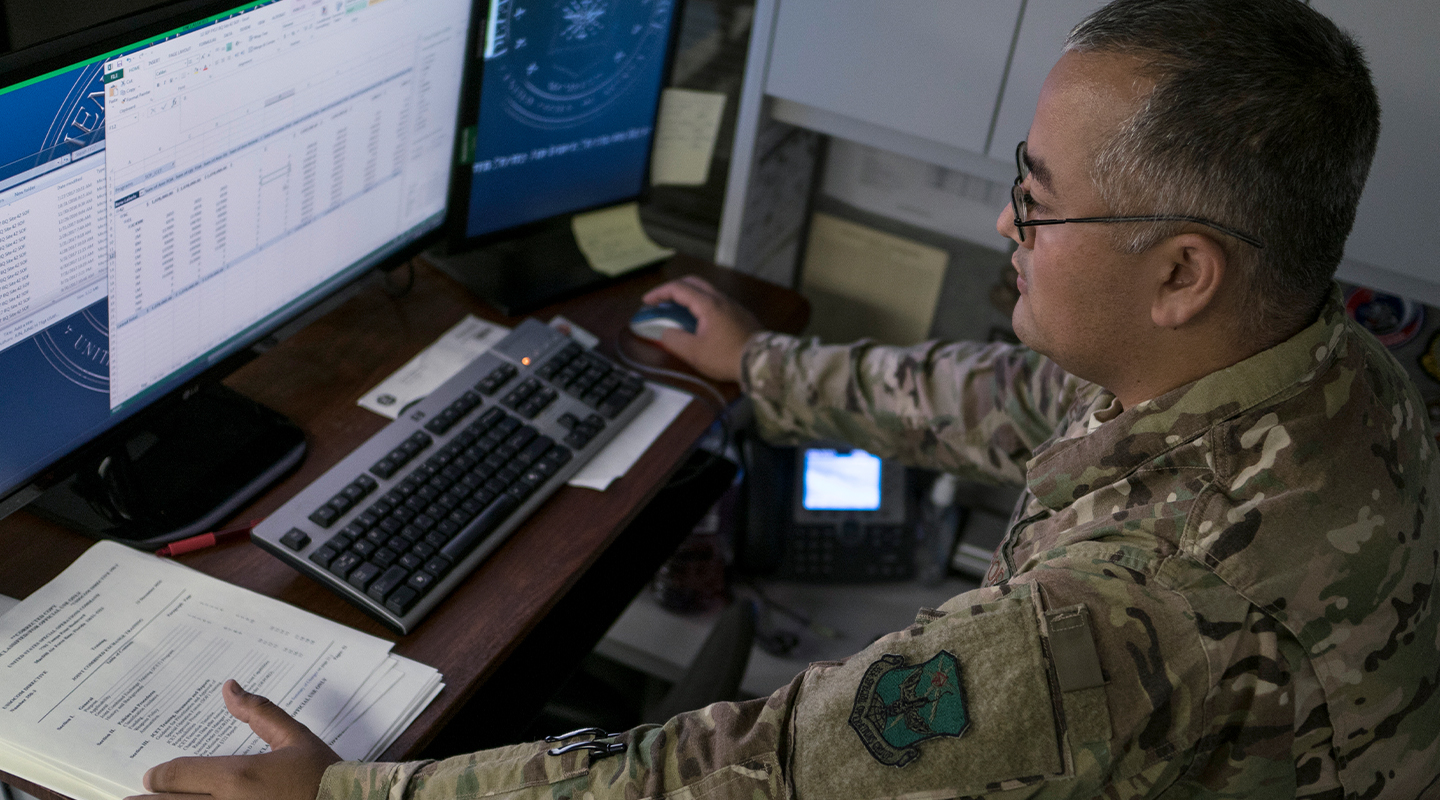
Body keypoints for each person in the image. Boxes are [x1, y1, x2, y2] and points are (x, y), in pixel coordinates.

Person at [131, 0, 1440, 797]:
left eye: (1037, 199)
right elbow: (1024, 397)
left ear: (1180, 273)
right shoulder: (1333, 369)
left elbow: (749, 773)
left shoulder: (1131, 608)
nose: (1004, 220)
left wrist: (351, 798)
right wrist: (762, 369)